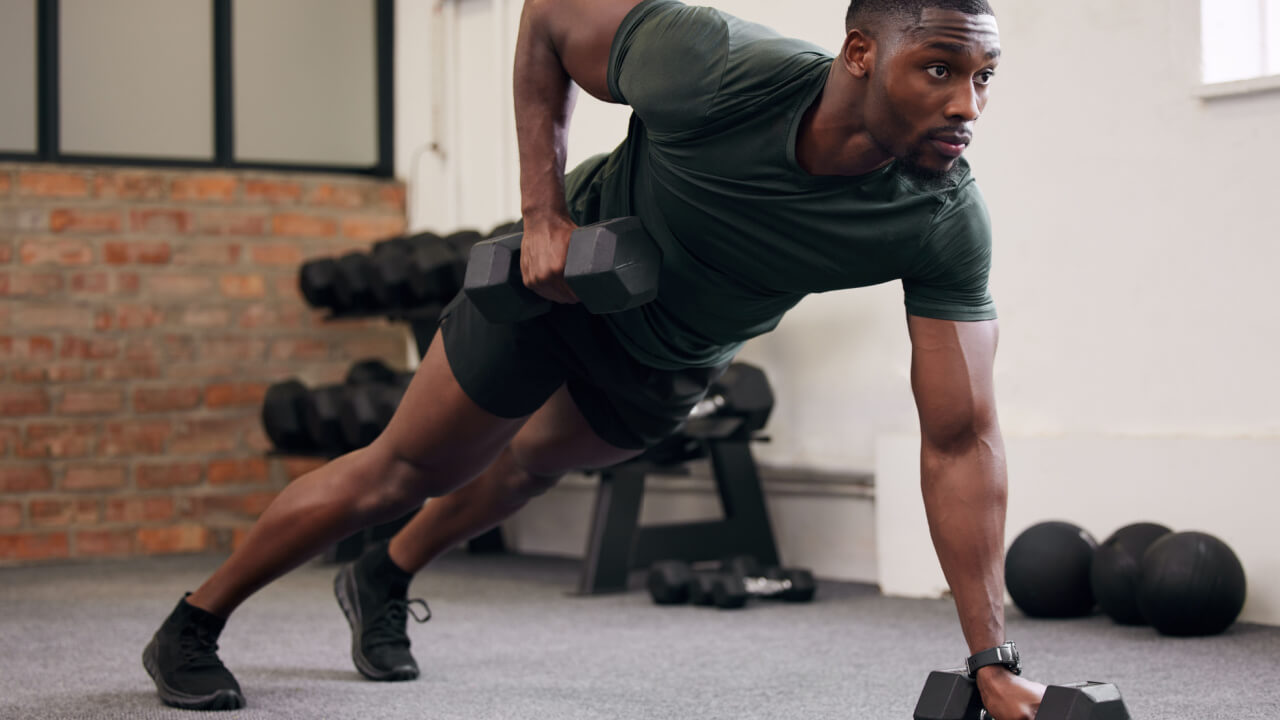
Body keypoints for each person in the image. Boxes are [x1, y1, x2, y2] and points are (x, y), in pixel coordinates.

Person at [143, 0, 1044, 716]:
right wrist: (541, 215)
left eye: (986, 77)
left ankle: (383, 574)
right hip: (557, 288)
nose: (969, 105)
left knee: (529, 469)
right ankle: (193, 625)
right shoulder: (715, 65)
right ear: (859, 54)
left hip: (673, 356)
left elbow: (961, 439)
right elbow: (544, 18)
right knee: (407, 469)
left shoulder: (940, 218)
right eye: (939, 69)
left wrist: (991, 661)